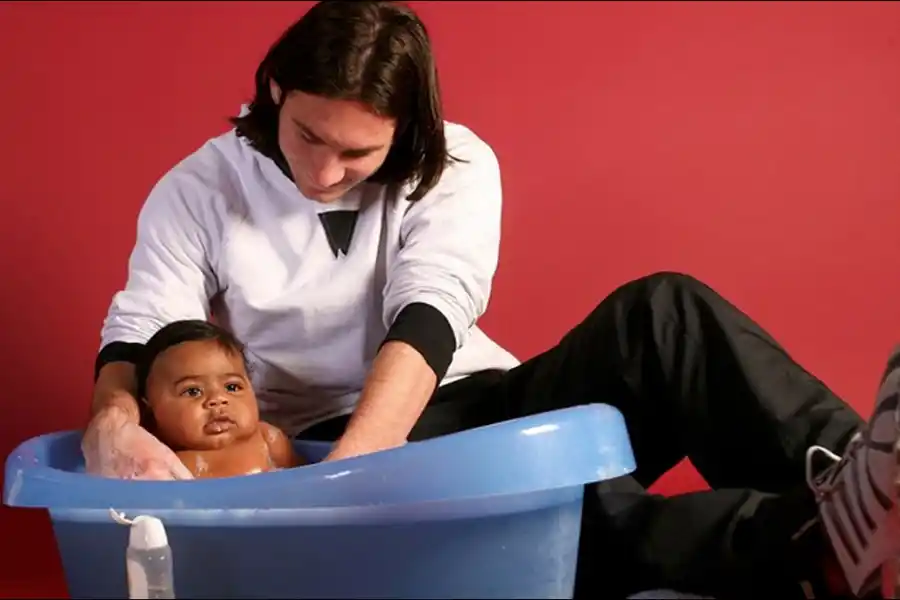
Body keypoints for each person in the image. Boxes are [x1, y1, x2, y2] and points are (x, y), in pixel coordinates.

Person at [79, 0, 899, 597]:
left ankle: (871, 488)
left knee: (665, 311)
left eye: (356, 154)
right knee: (557, 511)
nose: (324, 173)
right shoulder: (201, 186)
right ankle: (809, 544)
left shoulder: (458, 162)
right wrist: (114, 427)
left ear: (406, 132)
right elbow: (144, 325)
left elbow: (430, 311)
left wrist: (368, 470)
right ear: (275, 92)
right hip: (324, 445)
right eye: (306, 137)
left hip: (455, 401)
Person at [134, 319, 303, 479]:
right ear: (149, 409)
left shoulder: (268, 441)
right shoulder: (156, 459)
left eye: (232, 387)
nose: (218, 399)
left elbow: (304, 484)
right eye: (193, 391)